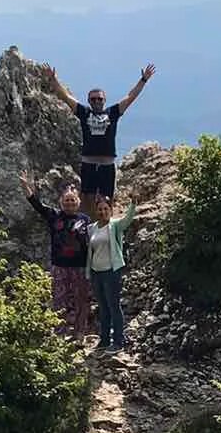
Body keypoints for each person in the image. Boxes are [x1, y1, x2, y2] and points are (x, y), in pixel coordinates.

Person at [40, 61, 156, 217]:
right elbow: (65, 97)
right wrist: (53, 80)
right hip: (88, 162)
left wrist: (143, 80)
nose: (96, 101)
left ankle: (106, 228)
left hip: (107, 164)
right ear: (89, 101)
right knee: (86, 197)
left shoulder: (113, 112)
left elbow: (130, 97)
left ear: (104, 100)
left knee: (107, 199)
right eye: (93, 99)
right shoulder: (84, 113)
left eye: (99, 99)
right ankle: (86, 229)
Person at [19, 171, 90, 340]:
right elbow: (38, 206)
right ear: (61, 202)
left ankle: (80, 332)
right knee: (59, 300)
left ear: (78, 202)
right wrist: (26, 188)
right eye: (67, 200)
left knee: (81, 300)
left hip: (79, 266)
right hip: (59, 266)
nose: (70, 202)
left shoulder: (85, 220)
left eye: (73, 200)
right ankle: (60, 333)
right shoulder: (54, 216)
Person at [85, 193, 137, 352]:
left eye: (106, 209)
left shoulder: (115, 225)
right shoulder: (91, 228)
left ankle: (118, 342)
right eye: (100, 209)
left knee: (114, 306)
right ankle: (105, 340)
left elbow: (128, 220)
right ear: (96, 211)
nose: (102, 212)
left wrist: (133, 204)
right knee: (102, 307)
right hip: (96, 272)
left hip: (111, 272)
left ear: (111, 210)